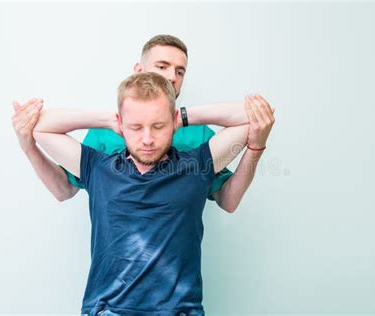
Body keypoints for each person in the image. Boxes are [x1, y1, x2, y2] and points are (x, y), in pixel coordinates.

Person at [29, 72, 274, 315]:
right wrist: (110, 119)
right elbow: (41, 126)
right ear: (121, 124)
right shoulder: (98, 168)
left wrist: (183, 116)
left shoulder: (197, 166)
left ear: (173, 121)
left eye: (158, 126)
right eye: (136, 127)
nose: (147, 139)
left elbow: (248, 117)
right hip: (107, 310)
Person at [11, 35, 275, 212]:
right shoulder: (104, 136)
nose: (172, 76)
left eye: (180, 71)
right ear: (139, 71)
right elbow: (64, 190)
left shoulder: (200, 136)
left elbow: (227, 201)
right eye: (162, 66)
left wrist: (179, 117)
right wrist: (30, 147)